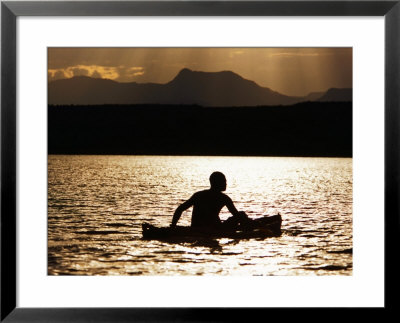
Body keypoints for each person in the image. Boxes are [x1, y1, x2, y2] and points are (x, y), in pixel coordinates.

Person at [170, 171, 250, 230]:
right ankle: (249, 229)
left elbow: (180, 208)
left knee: (241, 215)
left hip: (196, 227)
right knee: (241, 214)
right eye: (224, 181)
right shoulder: (224, 198)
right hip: (214, 228)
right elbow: (236, 215)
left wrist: (173, 226)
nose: (226, 183)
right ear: (217, 183)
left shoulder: (198, 195)